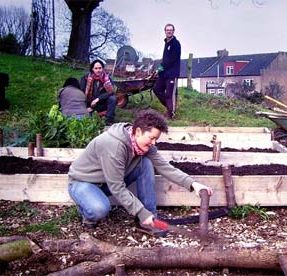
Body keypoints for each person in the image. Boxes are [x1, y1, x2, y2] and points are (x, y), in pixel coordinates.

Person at [68, 109, 213, 236]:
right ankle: (87, 211)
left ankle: (148, 221)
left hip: (105, 183)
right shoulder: (114, 145)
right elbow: (116, 187)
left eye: (156, 139)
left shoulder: (143, 145)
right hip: (83, 183)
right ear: (138, 131)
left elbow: (165, 167)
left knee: (146, 163)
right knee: (99, 209)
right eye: (152, 138)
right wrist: (141, 211)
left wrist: (194, 184)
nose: (154, 143)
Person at [153, 23, 181, 120]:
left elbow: (171, 60)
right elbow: (165, 59)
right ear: (165, 31)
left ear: (173, 31)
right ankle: (170, 108)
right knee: (157, 89)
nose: (169, 31)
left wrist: (160, 68)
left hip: (172, 74)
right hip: (164, 74)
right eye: (167, 30)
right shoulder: (166, 43)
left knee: (169, 94)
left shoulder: (176, 44)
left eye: (171, 30)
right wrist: (160, 70)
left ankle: (171, 114)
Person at [80, 59, 117, 125]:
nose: (98, 70)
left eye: (100, 68)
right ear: (92, 69)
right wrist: (86, 106)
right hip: (89, 103)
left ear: (102, 68)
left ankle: (108, 120)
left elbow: (111, 92)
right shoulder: (85, 78)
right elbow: (81, 93)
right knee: (87, 118)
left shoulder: (107, 78)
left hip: (101, 103)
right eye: (96, 68)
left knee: (113, 98)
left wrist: (98, 99)